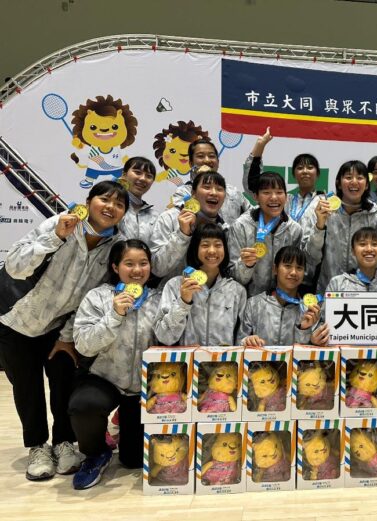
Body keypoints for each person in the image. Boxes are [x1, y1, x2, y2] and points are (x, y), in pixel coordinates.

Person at [0, 180, 128, 481]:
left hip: (58, 329)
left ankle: (64, 442)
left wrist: (67, 336)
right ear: (89, 201)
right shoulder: (61, 224)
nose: (110, 207)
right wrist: (56, 236)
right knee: (27, 387)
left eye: (119, 204)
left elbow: (92, 297)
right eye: (104, 199)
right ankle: (37, 447)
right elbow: (15, 265)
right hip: (16, 319)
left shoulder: (115, 246)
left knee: (63, 383)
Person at [68, 239, 161, 489]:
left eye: (143, 263)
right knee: (84, 406)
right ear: (115, 266)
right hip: (104, 378)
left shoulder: (159, 298)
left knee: (133, 460)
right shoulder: (97, 297)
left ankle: (121, 427)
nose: (137, 270)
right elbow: (84, 345)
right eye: (129, 263)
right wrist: (115, 315)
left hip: (142, 388)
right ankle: (96, 453)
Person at [302, 160, 377, 293]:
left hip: (365, 293)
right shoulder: (323, 209)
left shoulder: (375, 214)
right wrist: (319, 227)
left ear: (366, 185)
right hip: (329, 290)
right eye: (348, 177)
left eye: (360, 178)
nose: (354, 182)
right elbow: (311, 257)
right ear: (339, 184)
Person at [229, 172, 323, 296]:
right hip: (248, 301)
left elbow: (305, 266)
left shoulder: (294, 230)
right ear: (256, 196)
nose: (274, 197)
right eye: (266, 192)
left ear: (286, 196)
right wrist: (246, 265)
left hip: (282, 300)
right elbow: (233, 277)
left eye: (279, 192)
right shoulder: (241, 226)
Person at [154, 223, 246, 346]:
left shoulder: (237, 291)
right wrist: (183, 302)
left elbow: (242, 339)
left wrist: (248, 341)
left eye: (218, 245)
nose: (212, 250)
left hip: (224, 359)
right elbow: (164, 337)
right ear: (195, 248)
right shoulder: (175, 286)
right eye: (205, 245)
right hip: (187, 358)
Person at [238, 246, 327, 347]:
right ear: (275, 269)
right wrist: (246, 341)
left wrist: (304, 330)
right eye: (288, 266)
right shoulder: (254, 304)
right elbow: (239, 342)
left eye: (299, 268)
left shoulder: (310, 310)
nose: (293, 272)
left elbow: (311, 352)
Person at [150, 170, 230, 283]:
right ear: (193, 193)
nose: (213, 193)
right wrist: (182, 234)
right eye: (207, 187)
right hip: (171, 291)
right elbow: (157, 268)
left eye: (219, 189)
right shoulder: (169, 218)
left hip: (208, 292)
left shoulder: (225, 230)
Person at [242, 127, 323, 221]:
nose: (305, 171)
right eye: (300, 168)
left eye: (310, 167)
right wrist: (260, 145)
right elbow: (252, 186)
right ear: (293, 174)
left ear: (318, 173)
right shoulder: (284, 200)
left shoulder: (326, 202)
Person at [170, 138, 252, 222]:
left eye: (211, 156)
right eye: (200, 156)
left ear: (218, 162)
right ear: (191, 163)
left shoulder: (233, 191)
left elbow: (252, 215)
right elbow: (187, 216)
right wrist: (201, 178)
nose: (207, 160)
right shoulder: (183, 192)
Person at [325, 227, 377, 292]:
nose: (369, 249)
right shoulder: (337, 284)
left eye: (374, 244)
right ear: (353, 251)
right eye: (363, 244)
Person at [118, 156, 158, 244]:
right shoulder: (110, 205)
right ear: (124, 175)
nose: (143, 178)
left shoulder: (155, 216)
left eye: (149, 176)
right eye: (137, 172)